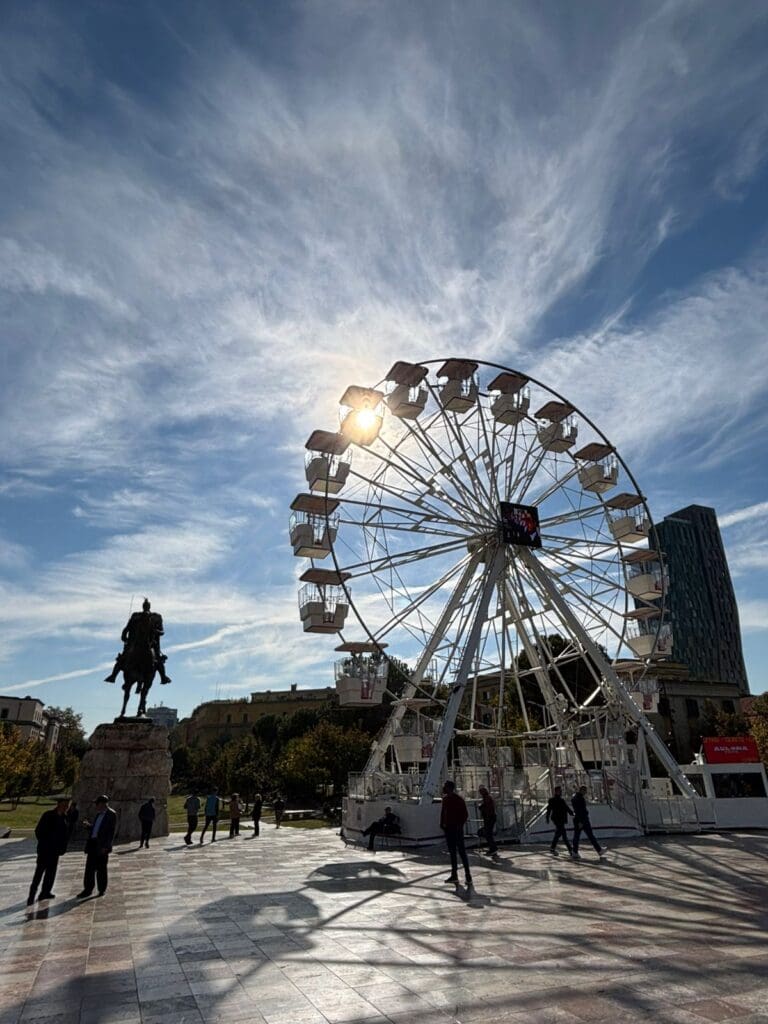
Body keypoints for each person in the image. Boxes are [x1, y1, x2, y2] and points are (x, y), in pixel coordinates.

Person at [105, 597, 171, 684]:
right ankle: (113, 676)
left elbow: (162, 631)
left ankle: (163, 677)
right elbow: (127, 627)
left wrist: (155, 631)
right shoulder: (136, 616)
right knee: (122, 658)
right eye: (145, 605)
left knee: (157, 660)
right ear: (143, 606)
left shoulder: (156, 617)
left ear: (149, 606)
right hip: (134, 642)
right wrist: (124, 636)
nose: (146, 607)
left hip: (151, 643)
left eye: (147, 605)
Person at [27, 797, 70, 905]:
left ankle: (45, 892)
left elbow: (65, 835)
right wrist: (45, 843)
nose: (66, 807)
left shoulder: (65, 817)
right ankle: (31, 895)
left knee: (51, 873)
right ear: (59, 804)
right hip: (45, 850)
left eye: (67, 805)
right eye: (64, 805)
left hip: (55, 851)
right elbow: (38, 831)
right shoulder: (48, 815)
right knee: (39, 873)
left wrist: (62, 848)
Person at [77, 795, 117, 898]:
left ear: (103, 803)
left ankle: (101, 889)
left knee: (101, 869)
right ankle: (88, 889)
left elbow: (111, 832)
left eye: (97, 803)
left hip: (102, 845)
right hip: (93, 844)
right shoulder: (98, 814)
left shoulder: (111, 815)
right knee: (89, 868)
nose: (95, 805)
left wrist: (106, 846)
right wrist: (89, 826)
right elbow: (96, 829)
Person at [440, 781, 472, 888]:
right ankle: (455, 875)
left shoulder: (457, 800)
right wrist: (442, 824)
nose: (443, 788)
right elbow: (443, 813)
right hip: (450, 829)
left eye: (445, 787)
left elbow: (464, 815)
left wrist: (458, 825)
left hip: (455, 829)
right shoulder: (446, 799)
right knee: (453, 853)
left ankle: (467, 875)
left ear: (449, 788)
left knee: (460, 852)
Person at [571, 785, 607, 859]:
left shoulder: (575, 798)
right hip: (583, 820)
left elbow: (577, 810)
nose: (586, 793)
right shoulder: (580, 799)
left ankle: (574, 851)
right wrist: (581, 821)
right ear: (582, 790)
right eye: (585, 791)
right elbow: (580, 810)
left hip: (578, 819)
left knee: (577, 836)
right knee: (590, 835)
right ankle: (599, 850)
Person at [546, 785, 574, 857]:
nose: (561, 792)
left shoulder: (559, 800)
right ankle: (570, 850)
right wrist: (572, 813)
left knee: (558, 834)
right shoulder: (556, 800)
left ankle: (552, 848)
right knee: (563, 835)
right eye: (559, 791)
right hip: (559, 819)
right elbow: (549, 809)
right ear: (556, 791)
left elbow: (566, 808)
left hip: (558, 819)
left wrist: (572, 813)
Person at [478, 786, 498, 856]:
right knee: (488, 834)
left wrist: (481, 807)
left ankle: (493, 848)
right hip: (490, 818)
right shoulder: (488, 797)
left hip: (489, 818)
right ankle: (493, 848)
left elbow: (485, 807)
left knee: (488, 834)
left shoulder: (487, 798)